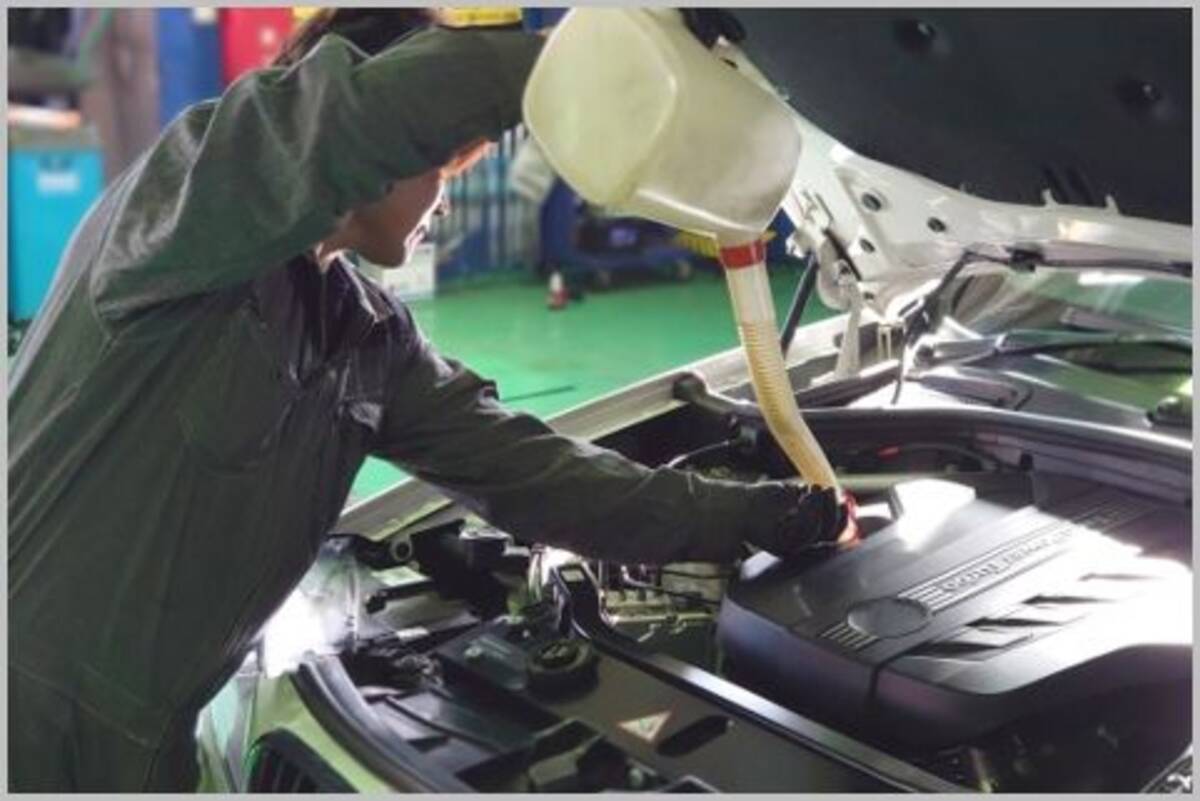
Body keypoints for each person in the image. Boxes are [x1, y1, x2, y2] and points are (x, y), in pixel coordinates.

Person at [8, 9, 846, 791]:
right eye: (445, 162)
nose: (445, 195)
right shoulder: (182, 207)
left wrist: (774, 515)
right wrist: (584, 62)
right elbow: (356, 118)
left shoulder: (368, 342)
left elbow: (546, 480)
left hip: (151, 749)